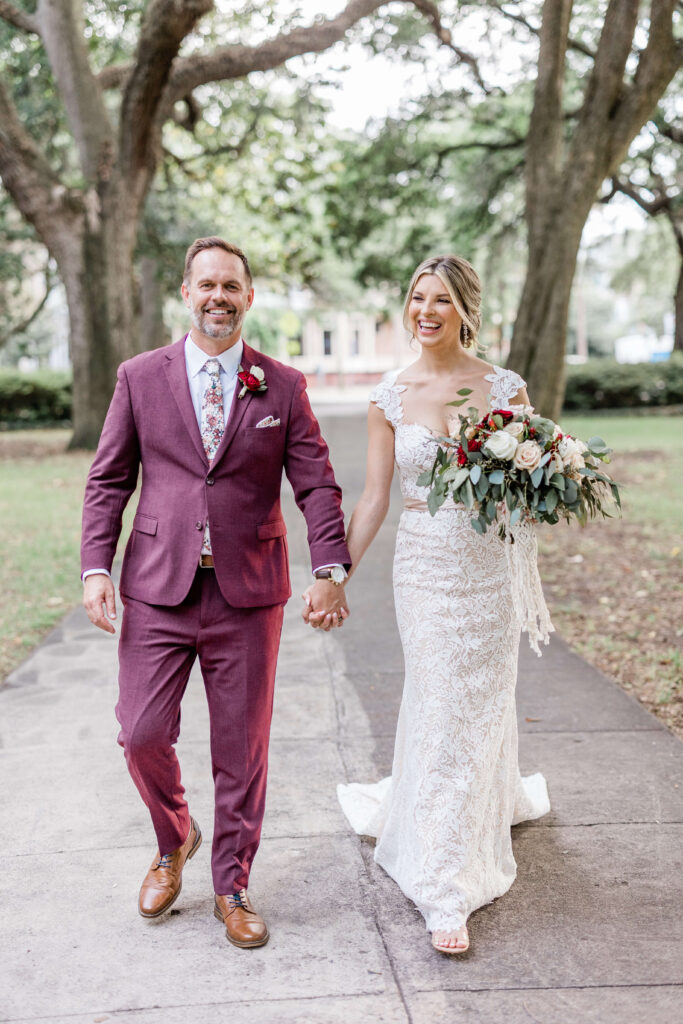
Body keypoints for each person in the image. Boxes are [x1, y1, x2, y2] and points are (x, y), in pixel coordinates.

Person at [81, 236, 350, 949]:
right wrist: (96, 568)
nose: (218, 297)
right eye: (206, 285)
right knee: (140, 732)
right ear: (186, 292)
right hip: (158, 588)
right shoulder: (140, 377)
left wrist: (330, 567)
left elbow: (316, 483)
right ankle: (175, 839)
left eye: (231, 285)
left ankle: (231, 882)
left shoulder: (281, 386)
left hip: (247, 593)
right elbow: (110, 479)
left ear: (248, 296)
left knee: (241, 747)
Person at [331, 255, 553, 955]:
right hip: (424, 567)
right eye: (416, 298)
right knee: (439, 697)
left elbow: (524, 487)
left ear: (464, 309)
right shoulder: (388, 397)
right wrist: (334, 573)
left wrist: (546, 478)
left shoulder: (503, 388)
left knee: (481, 699)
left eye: (440, 300)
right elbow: (373, 500)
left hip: (485, 563)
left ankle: (484, 805)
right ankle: (443, 883)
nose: (425, 310)